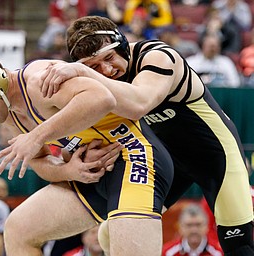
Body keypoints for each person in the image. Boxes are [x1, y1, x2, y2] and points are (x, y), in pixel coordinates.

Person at [38, 15, 254, 255]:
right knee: (110, 234)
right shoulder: (101, 81)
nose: (107, 71)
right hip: (170, 162)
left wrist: (82, 71)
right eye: (95, 67)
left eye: (109, 58)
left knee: (240, 246)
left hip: (217, 156)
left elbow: (139, 103)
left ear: (122, 46)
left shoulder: (158, 57)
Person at [0, 47, 174, 256]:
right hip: (96, 175)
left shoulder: (39, 80)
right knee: (18, 229)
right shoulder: (10, 115)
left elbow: (102, 98)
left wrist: (36, 136)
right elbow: (41, 161)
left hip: (135, 157)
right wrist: (68, 170)